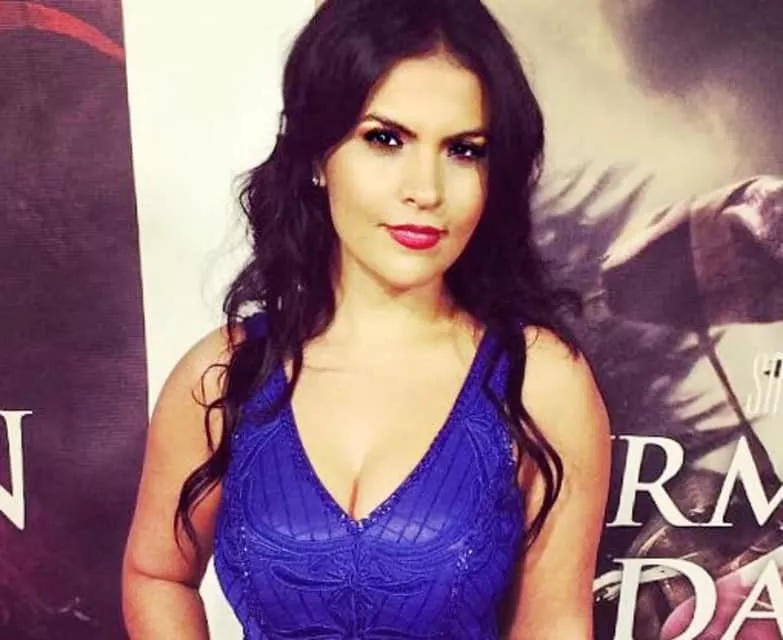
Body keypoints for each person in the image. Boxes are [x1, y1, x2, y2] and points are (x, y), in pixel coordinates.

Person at [121, 0, 612, 637]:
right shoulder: (224, 374)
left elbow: (554, 625)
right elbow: (157, 573)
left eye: (463, 150)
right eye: (385, 139)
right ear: (316, 156)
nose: (426, 190)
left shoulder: (540, 381)